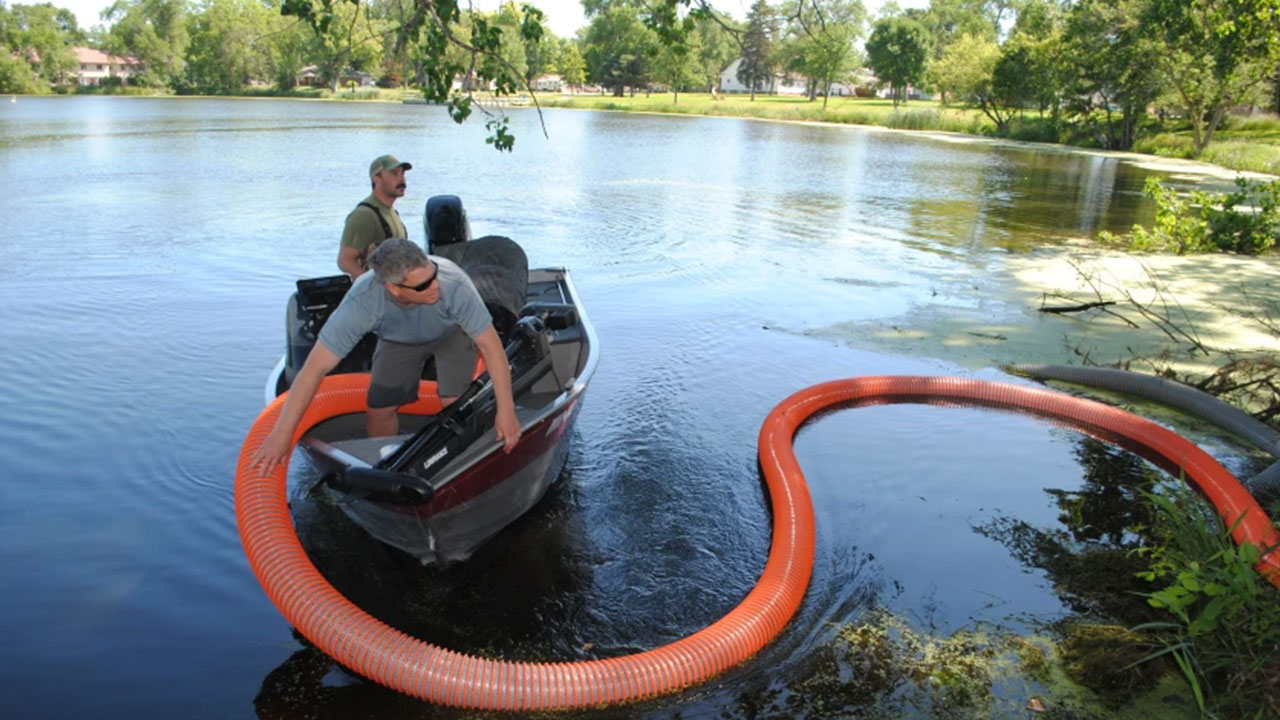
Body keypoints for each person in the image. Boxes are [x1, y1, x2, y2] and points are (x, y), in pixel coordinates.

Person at [251, 239, 522, 473]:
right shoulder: (362, 302)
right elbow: (314, 369)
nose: (434, 286)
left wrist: (507, 412)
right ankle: (387, 466)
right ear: (393, 288)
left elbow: (492, 348)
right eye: (423, 285)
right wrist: (282, 434)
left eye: (433, 274)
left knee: (454, 404)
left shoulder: (453, 284)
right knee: (379, 409)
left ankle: (454, 466)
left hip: (452, 333)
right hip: (398, 340)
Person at [338, 155, 412, 278]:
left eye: (402, 174)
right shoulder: (363, 215)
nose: (402, 179)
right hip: (377, 294)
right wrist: (372, 288)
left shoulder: (392, 212)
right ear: (376, 179)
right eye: (394, 174)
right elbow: (345, 261)